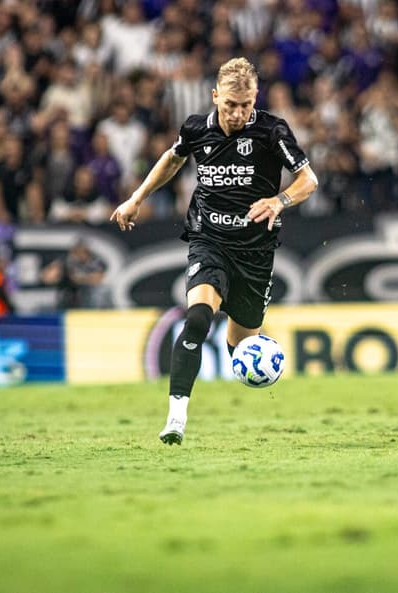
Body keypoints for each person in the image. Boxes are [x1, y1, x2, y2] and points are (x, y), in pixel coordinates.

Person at [110, 57, 318, 445]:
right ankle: (176, 419)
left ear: (255, 97)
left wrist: (279, 201)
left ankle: (242, 355)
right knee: (198, 318)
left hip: (255, 254)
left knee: (242, 346)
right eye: (230, 105)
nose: (239, 114)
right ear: (215, 96)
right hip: (209, 241)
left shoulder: (272, 131)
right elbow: (173, 159)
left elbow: (309, 180)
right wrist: (137, 198)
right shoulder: (195, 129)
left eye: (246, 105)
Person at [39, 239, 107, 309]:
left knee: (94, 293)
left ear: (87, 251)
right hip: (69, 296)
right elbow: (46, 277)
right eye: (77, 251)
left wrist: (81, 279)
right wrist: (57, 275)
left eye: (82, 251)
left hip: (90, 298)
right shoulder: (67, 261)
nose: (79, 254)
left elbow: (99, 279)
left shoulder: (95, 261)